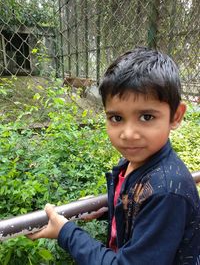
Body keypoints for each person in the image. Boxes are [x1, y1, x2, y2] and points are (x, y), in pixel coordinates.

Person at [28, 47, 200, 265]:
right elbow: (136, 204)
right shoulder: (135, 162)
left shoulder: (167, 192)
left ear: (175, 116)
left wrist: (66, 233)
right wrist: (107, 207)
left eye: (147, 117)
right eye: (116, 118)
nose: (128, 134)